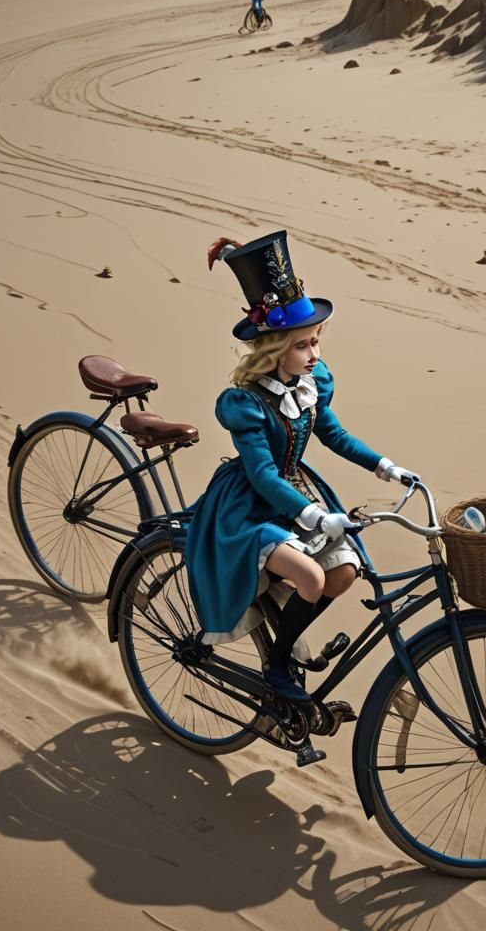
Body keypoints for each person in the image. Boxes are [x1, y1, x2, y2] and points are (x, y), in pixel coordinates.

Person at [185, 230, 417, 702]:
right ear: (274, 350)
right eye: (302, 346)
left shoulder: (311, 384)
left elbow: (333, 434)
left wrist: (385, 466)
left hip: (295, 493)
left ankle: (287, 638)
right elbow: (262, 475)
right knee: (311, 578)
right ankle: (277, 667)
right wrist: (314, 516)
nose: (314, 355)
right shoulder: (246, 403)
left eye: (316, 342)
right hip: (249, 506)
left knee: (344, 572)